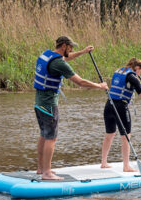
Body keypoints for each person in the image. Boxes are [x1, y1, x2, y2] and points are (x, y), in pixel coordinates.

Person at [34, 36, 108, 181]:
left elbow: (65, 60)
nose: (71, 49)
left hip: (38, 103)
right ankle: (47, 173)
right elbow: (80, 82)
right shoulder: (58, 63)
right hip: (49, 104)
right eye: (70, 47)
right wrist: (100, 86)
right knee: (51, 137)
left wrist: (83, 52)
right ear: (63, 46)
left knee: (44, 134)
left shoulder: (47, 55)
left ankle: (40, 168)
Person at [100, 57, 141, 172]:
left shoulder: (119, 71)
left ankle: (104, 162)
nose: (140, 74)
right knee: (126, 137)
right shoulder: (132, 77)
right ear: (137, 68)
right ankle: (126, 166)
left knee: (109, 135)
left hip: (109, 105)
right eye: (140, 71)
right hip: (121, 107)